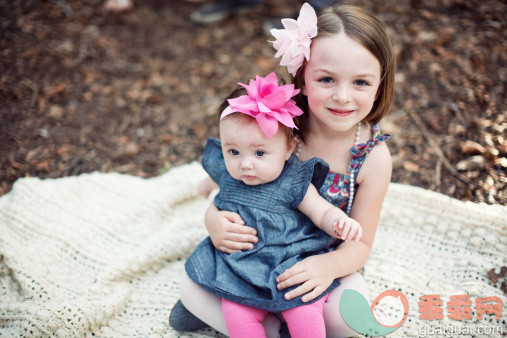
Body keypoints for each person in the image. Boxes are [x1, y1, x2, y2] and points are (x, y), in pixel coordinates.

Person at [171, 2, 395, 336]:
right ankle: (257, 316)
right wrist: (212, 220)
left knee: (349, 318)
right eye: (326, 79)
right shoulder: (278, 125)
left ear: (381, 84)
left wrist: (325, 267)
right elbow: (232, 181)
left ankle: (268, 320)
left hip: (317, 265)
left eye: (361, 82)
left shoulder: (372, 157)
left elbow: (360, 246)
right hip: (254, 258)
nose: (343, 96)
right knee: (190, 286)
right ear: (302, 77)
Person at [186, 72, 363, 337]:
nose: (245, 163)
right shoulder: (229, 170)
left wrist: (338, 223)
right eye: (233, 151)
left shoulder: (293, 181)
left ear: (290, 148)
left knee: (304, 309)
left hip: (289, 266)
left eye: (259, 153)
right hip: (241, 268)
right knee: (236, 311)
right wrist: (205, 191)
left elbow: (320, 209)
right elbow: (214, 181)